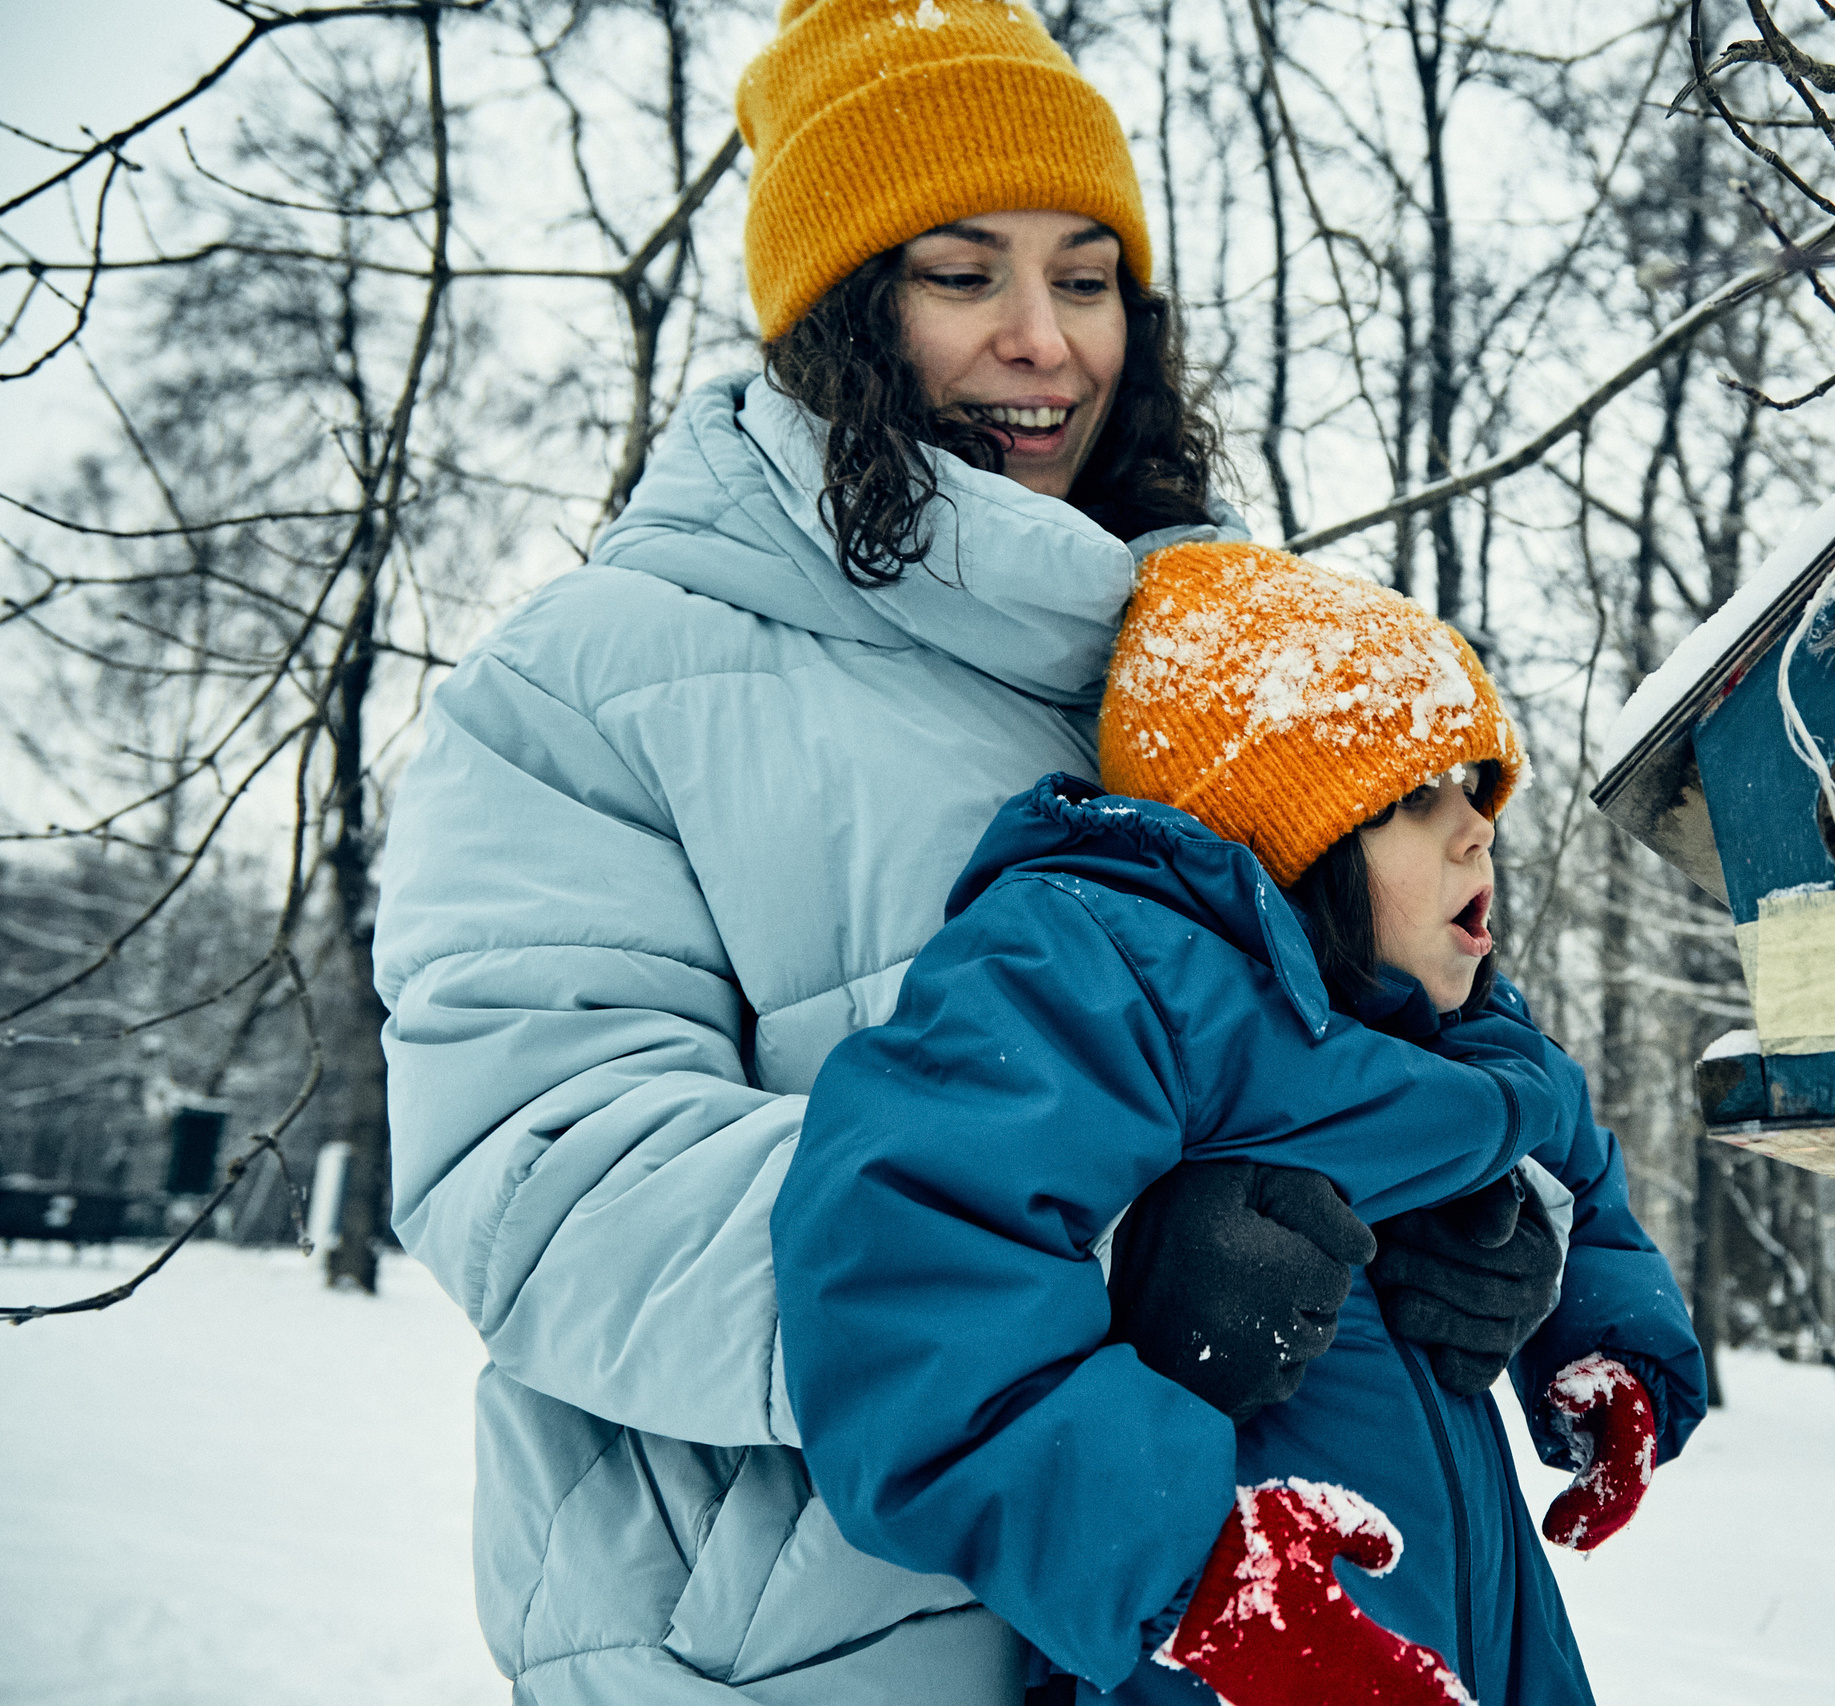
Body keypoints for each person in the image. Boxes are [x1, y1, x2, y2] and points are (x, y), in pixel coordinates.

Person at [372, 3, 1564, 1700]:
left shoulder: (1202, 680)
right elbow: (550, 1179)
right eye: (960, 274)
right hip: (817, 1638)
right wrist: (1114, 1254)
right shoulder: (591, 681)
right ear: (841, 314)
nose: (1043, 343)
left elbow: (1359, 1029)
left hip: (1246, 1616)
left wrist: (1443, 1194)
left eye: (1087, 281)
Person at [771, 541, 1711, 1705]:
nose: (1478, 829)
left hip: (1483, 1630)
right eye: (1418, 798)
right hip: (1224, 1637)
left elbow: (1579, 1180)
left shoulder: (1475, 1049)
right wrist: (1190, 1565)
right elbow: (912, 1276)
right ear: (1289, 834)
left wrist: (1609, 1357)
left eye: (1476, 785)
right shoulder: (1106, 977)